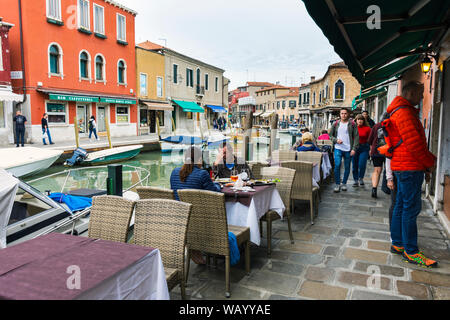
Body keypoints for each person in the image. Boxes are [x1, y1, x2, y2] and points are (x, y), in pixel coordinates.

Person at [387, 81, 437, 268]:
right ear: (410, 93)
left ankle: (398, 244)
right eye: (420, 93)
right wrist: (430, 163)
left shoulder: (399, 111)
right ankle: (411, 251)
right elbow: (415, 145)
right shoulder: (405, 113)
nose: (423, 97)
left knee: (401, 205)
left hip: (402, 166)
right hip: (409, 167)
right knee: (410, 208)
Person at [329, 108, 359, 193]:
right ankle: (337, 184)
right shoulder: (335, 124)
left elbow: (356, 137)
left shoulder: (352, 124)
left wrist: (354, 149)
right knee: (337, 165)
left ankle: (344, 183)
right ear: (340, 114)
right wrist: (336, 140)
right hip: (338, 148)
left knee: (347, 167)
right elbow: (330, 136)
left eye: (345, 113)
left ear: (348, 114)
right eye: (342, 113)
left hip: (348, 149)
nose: (344, 115)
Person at [367, 116, 387, 198]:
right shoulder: (393, 125)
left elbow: (369, 140)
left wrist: (371, 148)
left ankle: (374, 188)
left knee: (377, 170)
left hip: (377, 150)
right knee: (390, 169)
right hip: (389, 151)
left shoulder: (376, 126)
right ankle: (389, 189)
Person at [352, 114, 371, 187]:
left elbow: (370, 139)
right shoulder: (353, 128)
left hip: (364, 148)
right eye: (358, 119)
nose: (360, 121)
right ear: (356, 120)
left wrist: (371, 149)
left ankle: (361, 178)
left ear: (364, 120)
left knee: (362, 164)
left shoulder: (368, 128)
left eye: (361, 119)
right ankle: (355, 180)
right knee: (354, 164)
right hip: (355, 148)